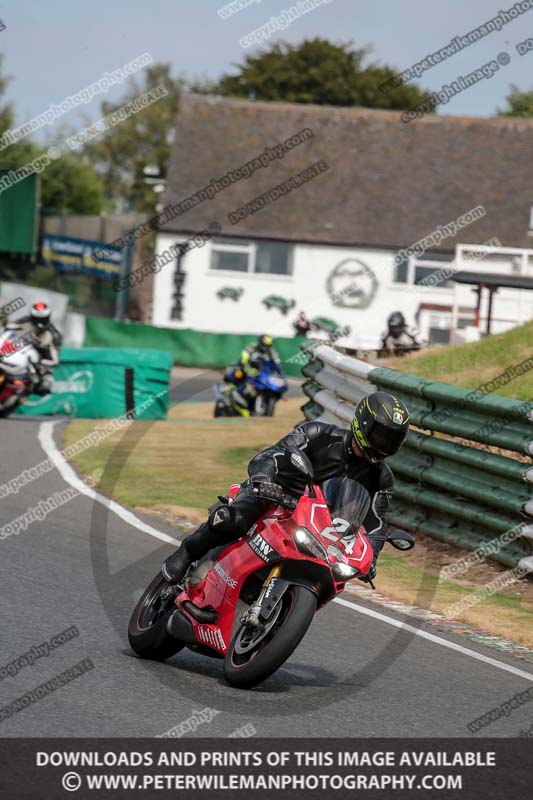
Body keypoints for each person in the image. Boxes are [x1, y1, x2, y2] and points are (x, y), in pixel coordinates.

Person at [162, 391, 410, 585]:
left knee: (334, 576)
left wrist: (371, 558)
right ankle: (186, 552)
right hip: (275, 496)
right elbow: (272, 454)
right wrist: (263, 479)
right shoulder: (318, 433)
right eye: (381, 435)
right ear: (363, 423)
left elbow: (376, 522)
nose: (384, 444)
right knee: (233, 520)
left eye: (392, 440)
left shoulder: (382, 478)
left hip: (320, 529)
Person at [5, 301, 62, 395]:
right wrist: (6, 326)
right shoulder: (25, 321)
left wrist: (42, 362)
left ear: (48, 317)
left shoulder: (54, 334)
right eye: (36, 318)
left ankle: (22, 396)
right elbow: (9, 327)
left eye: (42, 319)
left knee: (46, 384)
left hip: (38, 361)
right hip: (17, 353)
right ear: (32, 316)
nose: (39, 323)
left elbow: (55, 359)